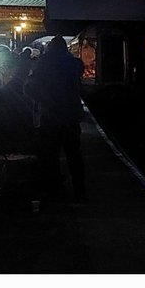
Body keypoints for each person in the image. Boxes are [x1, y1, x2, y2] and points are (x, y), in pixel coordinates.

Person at [24, 35, 85, 200]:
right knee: (74, 155)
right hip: (71, 115)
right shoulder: (74, 64)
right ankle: (80, 191)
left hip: (50, 116)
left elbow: (29, 87)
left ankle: (55, 190)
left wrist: (42, 99)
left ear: (50, 48)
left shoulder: (43, 64)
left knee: (50, 156)